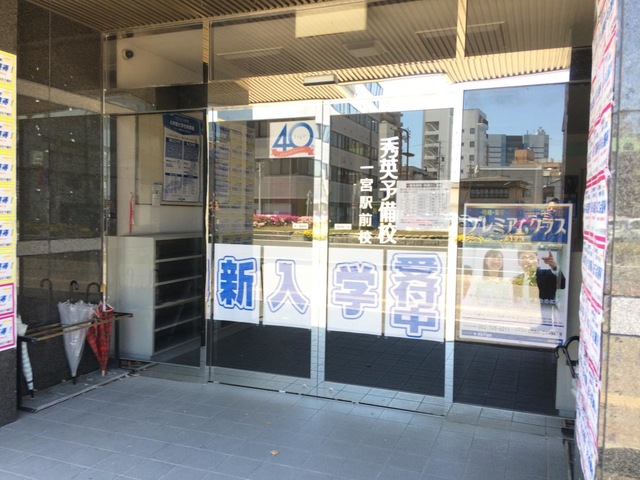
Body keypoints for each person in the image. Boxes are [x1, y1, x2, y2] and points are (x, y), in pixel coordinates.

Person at [512, 248, 566, 326]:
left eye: (531, 257)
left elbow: (562, 284)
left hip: (543, 322)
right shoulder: (516, 279)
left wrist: (555, 267)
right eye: (523, 258)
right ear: (518, 262)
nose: (528, 260)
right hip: (521, 321)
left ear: (537, 261)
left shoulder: (546, 275)